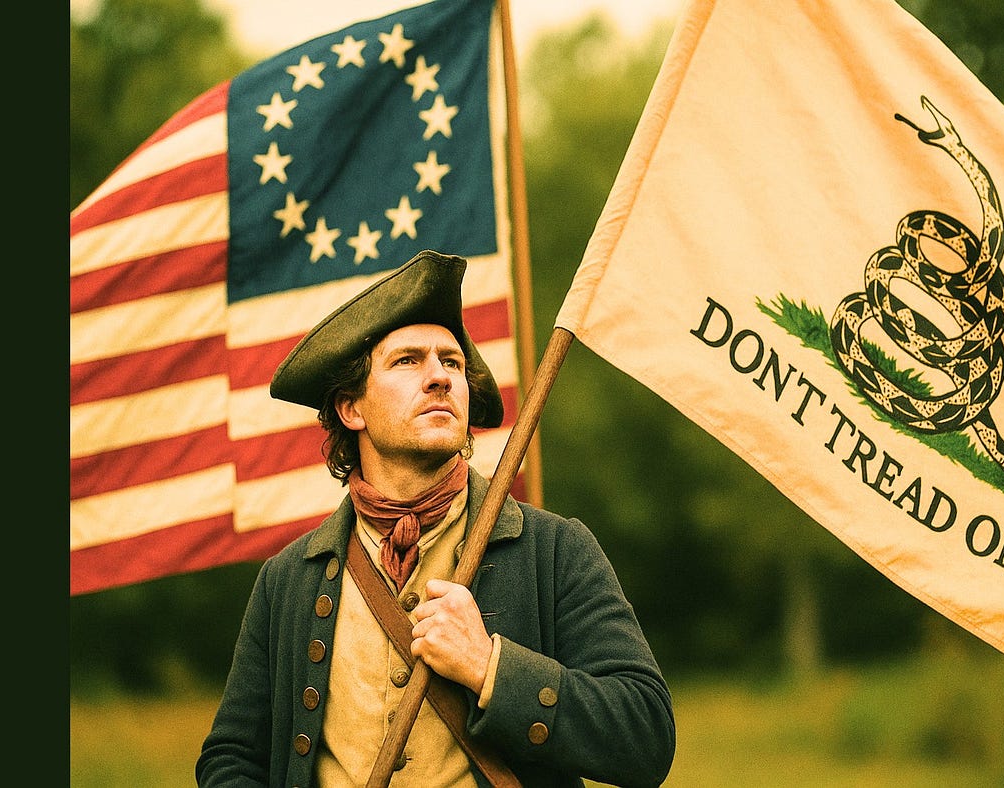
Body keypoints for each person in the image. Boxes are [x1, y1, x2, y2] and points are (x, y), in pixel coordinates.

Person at [196, 249, 676, 788]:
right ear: (351, 409)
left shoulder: (555, 549)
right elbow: (231, 760)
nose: (440, 377)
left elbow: (645, 735)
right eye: (408, 361)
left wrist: (489, 668)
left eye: (451, 362)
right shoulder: (289, 579)